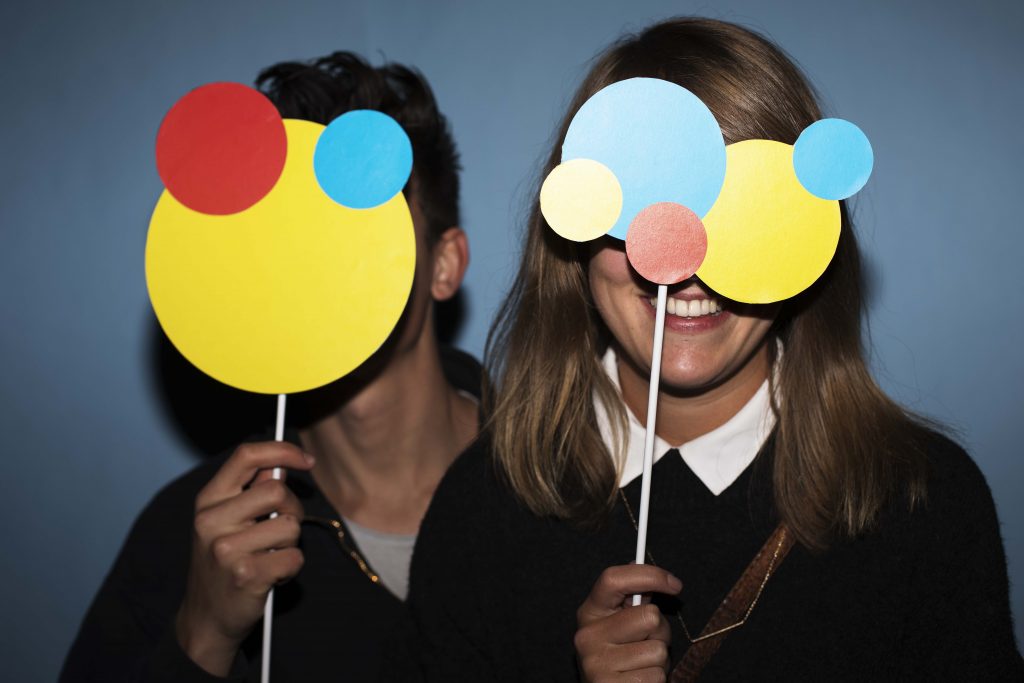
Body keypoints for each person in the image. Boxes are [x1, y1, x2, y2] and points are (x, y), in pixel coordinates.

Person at [402, 18, 1023, 682]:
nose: (686, 264)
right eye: (645, 208)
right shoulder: (483, 509)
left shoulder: (923, 504)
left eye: (738, 214)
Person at [61, 52, 479, 682]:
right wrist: (204, 634)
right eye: (291, 226)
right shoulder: (197, 535)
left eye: (367, 218)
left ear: (444, 265)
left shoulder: (568, 485)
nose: (321, 258)